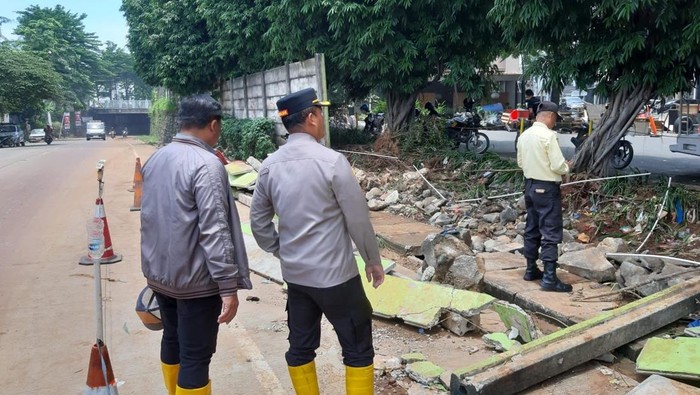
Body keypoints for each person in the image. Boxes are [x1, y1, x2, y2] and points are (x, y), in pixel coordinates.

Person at [250, 88, 385, 395]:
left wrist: (280, 249)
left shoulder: (269, 166)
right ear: (310, 118)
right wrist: (372, 261)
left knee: (300, 346)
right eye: (320, 113)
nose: (322, 119)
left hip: (297, 278)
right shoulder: (331, 161)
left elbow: (258, 223)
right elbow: (358, 219)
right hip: (337, 277)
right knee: (357, 348)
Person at [140, 94, 252, 394]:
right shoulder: (206, 164)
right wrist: (228, 286)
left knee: (172, 340)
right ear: (213, 125)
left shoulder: (157, 159)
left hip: (161, 278)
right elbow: (215, 231)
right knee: (196, 358)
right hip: (196, 283)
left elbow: (149, 218)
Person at [516, 101, 573, 293]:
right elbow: (557, 166)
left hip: (530, 186)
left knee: (532, 227)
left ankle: (531, 269)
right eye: (555, 119)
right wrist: (567, 167)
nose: (555, 123)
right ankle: (549, 278)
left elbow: (521, 163)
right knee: (550, 231)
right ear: (550, 116)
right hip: (547, 188)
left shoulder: (524, 136)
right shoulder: (548, 136)